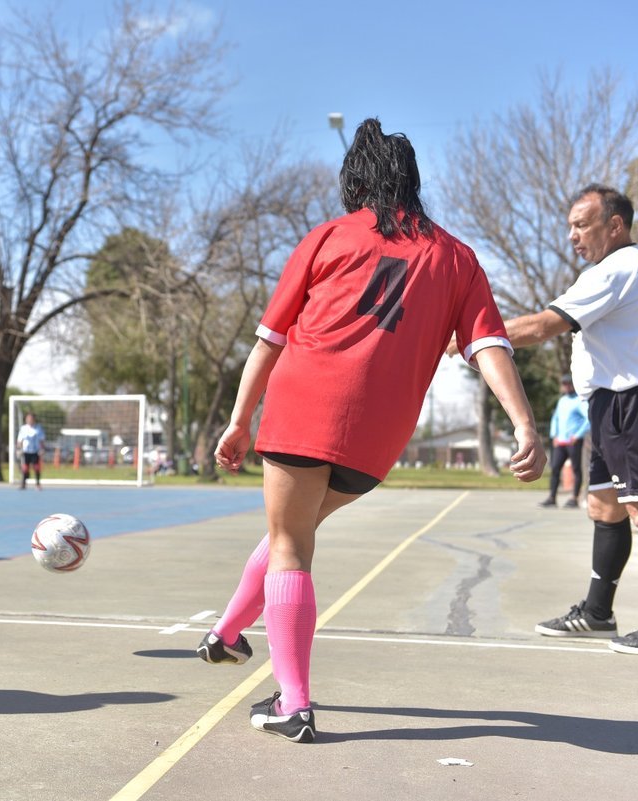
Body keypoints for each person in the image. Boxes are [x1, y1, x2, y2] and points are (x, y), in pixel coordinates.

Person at [204, 119, 545, 743]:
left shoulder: (329, 236)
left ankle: (296, 705)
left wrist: (236, 420)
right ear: (412, 182)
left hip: (304, 405)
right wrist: (526, 424)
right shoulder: (457, 256)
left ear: (354, 180)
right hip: (380, 433)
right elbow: (489, 345)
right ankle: (226, 635)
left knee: (289, 544)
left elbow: (269, 341)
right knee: (294, 532)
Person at [494, 184, 638, 656]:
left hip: (634, 400)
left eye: (581, 225)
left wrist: (477, 337)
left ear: (615, 225)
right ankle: (598, 612)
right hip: (620, 401)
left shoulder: (616, 270)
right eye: (570, 226)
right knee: (604, 507)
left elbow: (544, 326)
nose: (572, 236)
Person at [540, 374, 589, 509]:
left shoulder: (580, 401)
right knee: (555, 468)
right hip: (560, 442)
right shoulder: (562, 401)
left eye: (568, 383)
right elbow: (555, 418)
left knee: (576, 470)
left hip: (573, 442)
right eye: (564, 384)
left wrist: (578, 435)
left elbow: (588, 419)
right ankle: (552, 497)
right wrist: (554, 435)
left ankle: (574, 498)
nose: (566, 386)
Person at [15, 412, 45, 490]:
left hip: (35, 451)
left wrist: (42, 449)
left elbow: (41, 440)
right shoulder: (23, 428)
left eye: (31, 418)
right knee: (25, 468)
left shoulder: (38, 428)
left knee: (36, 467)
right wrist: (18, 449)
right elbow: (19, 440)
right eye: (28, 418)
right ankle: (23, 484)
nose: (29, 420)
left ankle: (37, 484)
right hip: (26, 451)